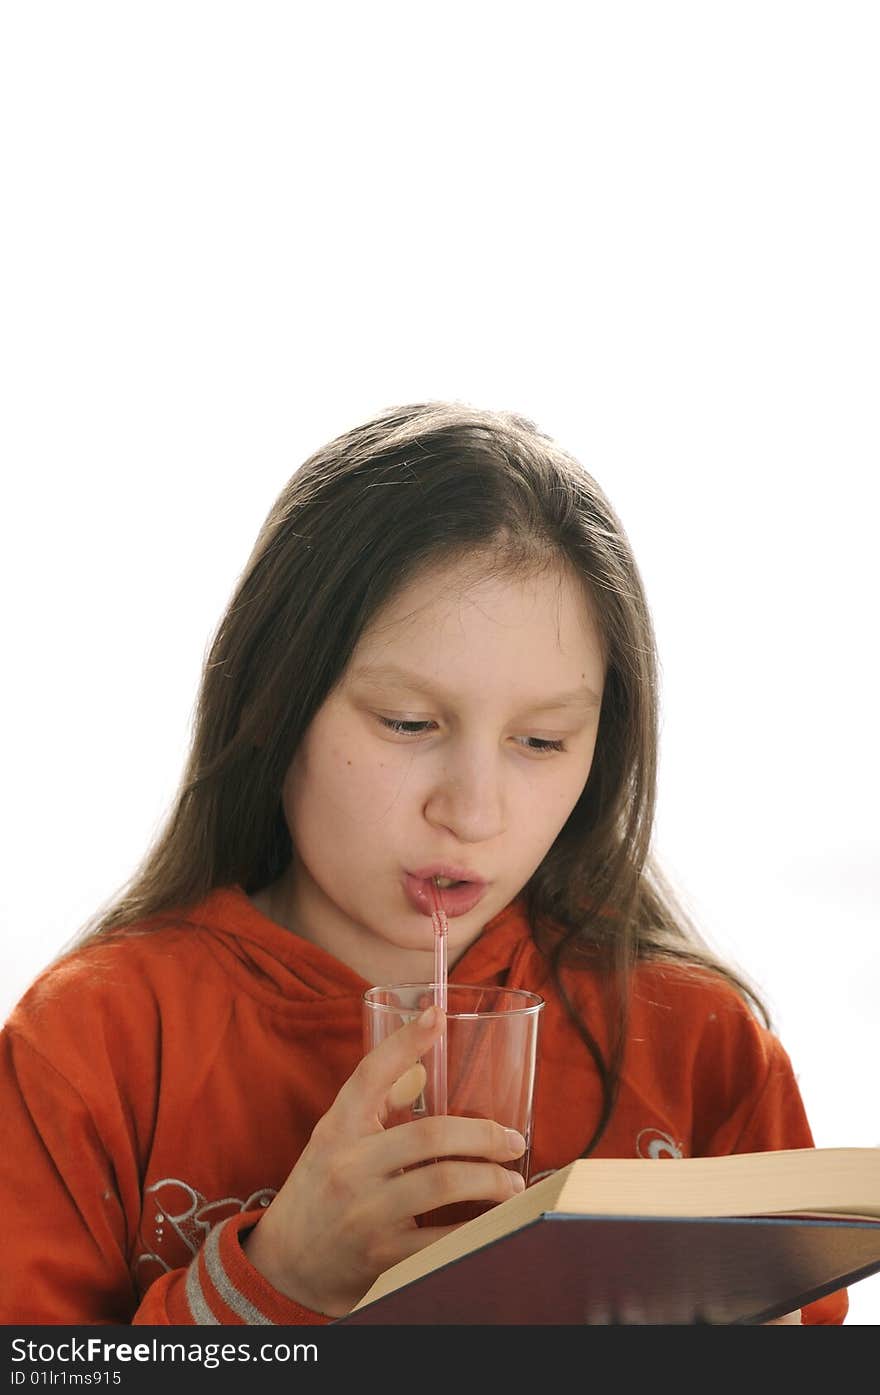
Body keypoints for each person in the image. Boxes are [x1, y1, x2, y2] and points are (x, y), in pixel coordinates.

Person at [0, 402, 844, 1326]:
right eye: (408, 722)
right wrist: (276, 1280)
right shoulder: (93, 1044)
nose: (473, 812)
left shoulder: (701, 1050)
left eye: (542, 739)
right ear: (274, 697)